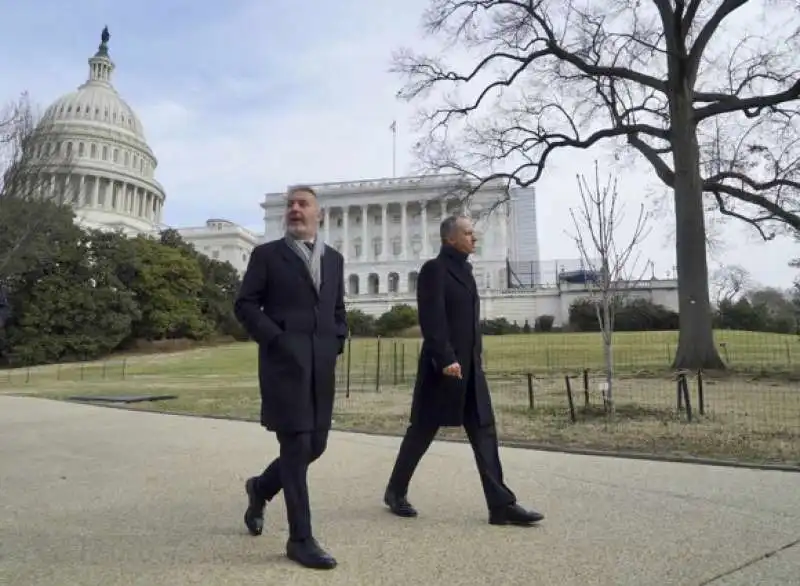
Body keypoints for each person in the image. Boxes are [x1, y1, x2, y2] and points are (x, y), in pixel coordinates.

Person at [383, 214, 544, 526]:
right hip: (443, 369)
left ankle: (501, 505)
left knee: (485, 431)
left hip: (471, 368)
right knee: (422, 432)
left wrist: (474, 358)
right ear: (450, 238)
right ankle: (395, 490)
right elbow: (433, 319)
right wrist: (446, 358)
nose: (475, 238)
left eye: (474, 233)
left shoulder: (467, 271)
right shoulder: (435, 270)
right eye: (469, 233)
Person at [234, 185, 347, 570]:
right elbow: (245, 303)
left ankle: (261, 487)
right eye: (290, 205)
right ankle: (300, 538)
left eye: (303, 204)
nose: (295, 210)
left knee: (315, 445)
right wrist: (276, 339)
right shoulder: (267, 255)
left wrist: (338, 340)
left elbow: (337, 308)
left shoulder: (334, 259)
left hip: (321, 366)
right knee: (296, 447)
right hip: (284, 363)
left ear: (320, 214)